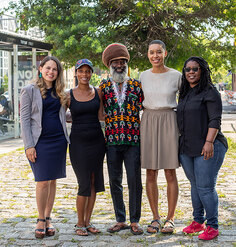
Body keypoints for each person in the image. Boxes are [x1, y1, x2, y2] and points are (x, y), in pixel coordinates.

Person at [177, 56, 228, 240]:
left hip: (209, 146)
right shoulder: (184, 93)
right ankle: (198, 221)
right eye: (187, 69)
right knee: (195, 185)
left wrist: (209, 142)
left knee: (205, 187)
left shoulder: (210, 92)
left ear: (202, 71)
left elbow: (215, 120)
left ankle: (212, 226)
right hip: (187, 147)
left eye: (195, 69)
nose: (191, 72)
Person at [20, 56, 70, 238]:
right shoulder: (29, 90)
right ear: (40, 69)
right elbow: (24, 120)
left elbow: (64, 115)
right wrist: (29, 145)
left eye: (54, 69)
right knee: (42, 181)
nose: (51, 72)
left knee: (52, 180)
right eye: (47, 68)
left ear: (58, 73)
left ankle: (48, 217)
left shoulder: (61, 92)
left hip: (58, 141)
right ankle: (40, 219)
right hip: (39, 142)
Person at [99, 43, 143, 235]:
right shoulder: (103, 87)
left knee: (134, 181)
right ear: (109, 65)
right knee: (114, 181)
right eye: (115, 62)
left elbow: (147, 109)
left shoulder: (136, 85)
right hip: (112, 142)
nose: (119, 65)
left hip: (133, 141)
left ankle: (135, 220)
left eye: (122, 61)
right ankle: (120, 219)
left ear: (127, 64)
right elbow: (98, 112)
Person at [140, 40, 181, 234]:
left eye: (158, 52)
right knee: (150, 172)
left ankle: (170, 218)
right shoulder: (142, 76)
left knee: (170, 172)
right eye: (151, 53)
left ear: (165, 53)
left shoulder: (176, 76)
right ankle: (155, 217)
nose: (155, 56)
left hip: (169, 119)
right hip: (148, 120)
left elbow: (187, 100)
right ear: (147, 55)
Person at [68, 59, 106, 236]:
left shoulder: (98, 93)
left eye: (87, 71)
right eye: (81, 71)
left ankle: (88, 222)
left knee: (93, 181)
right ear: (76, 73)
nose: (84, 74)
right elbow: (60, 116)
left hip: (97, 142)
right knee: (83, 182)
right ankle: (79, 223)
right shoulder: (69, 95)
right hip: (78, 143)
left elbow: (102, 116)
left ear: (92, 73)